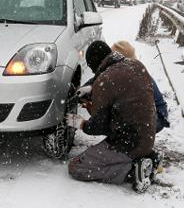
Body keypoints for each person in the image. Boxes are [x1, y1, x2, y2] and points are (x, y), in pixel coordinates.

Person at [67, 40, 157, 192]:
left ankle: (133, 171)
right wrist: (91, 89)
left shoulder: (105, 80)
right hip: (147, 136)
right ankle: (147, 158)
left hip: (127, 143)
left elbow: (98, 126)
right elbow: (118, 88)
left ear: (94, 63)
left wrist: (80, 123)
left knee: (76, 167)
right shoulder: (135, 64)